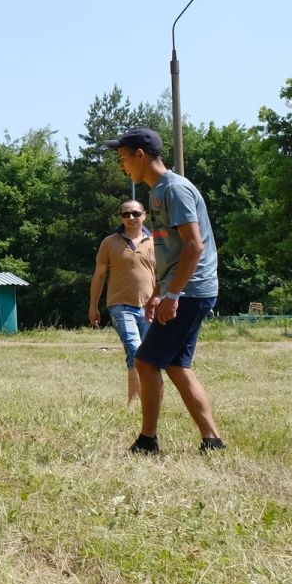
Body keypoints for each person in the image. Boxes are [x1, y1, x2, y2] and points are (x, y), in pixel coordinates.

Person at [101, 127, 226, 454]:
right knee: (175, 366)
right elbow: (167, 250)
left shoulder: (175, 190)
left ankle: (147, 441)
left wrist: (173, 295)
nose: (122, 166)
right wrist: (158, 290)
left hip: (192, 289)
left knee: (145, 361)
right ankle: (212, 440)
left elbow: (194, 247)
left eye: (124, 159)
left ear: (140, 156)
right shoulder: (157, 193)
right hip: (182, 289)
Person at [89, 200, 156, 402]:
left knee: (145, 356)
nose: (131, 218)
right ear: (120, 217)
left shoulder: (156, 241)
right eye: (126, 214)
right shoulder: (109, 243)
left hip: (149, 306)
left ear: (144, 215)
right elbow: (99, 276)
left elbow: (165, 275)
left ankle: (142, 401)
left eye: (135, 213)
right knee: (135, 349)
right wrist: (93, 306)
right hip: (120, 305)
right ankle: (136, 403)